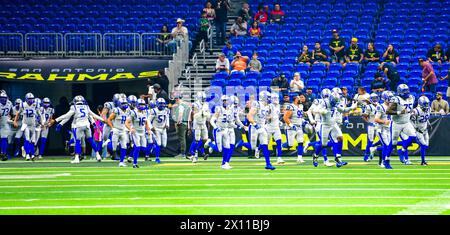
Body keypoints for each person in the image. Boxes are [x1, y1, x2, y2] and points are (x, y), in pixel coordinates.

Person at [55, 95, 103, 164]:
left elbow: (67, 116)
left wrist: (58, 122)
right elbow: (92, 115)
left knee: (77, 141)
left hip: (78, 125)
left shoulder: (73, 107)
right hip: (87, 125)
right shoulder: (86, 106)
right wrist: (100, 121)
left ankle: (77, 157)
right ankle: (98, 155)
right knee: (90, 140)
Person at [384, 84, 416, 169]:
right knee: (393, 143)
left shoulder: (412, 97)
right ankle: (387, 160)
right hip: (396, 123)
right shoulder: (396, 99)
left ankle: (402, 150)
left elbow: (411, 108)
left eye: (407, 90)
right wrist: (399, 112)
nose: (406, 92)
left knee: (413, 137)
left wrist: (412, 112)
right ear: (399, 92)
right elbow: (388, 111)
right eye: (404, 91)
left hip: (406, 122)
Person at [125, 99, 151, 168]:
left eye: (143, 105)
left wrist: (148, 130)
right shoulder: (134, 112)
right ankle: (135, 163)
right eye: (140, 105)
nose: (142, 106)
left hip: (142, 132)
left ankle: (130, 157)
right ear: (137, 105)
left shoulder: (145, 112)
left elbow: (146, 122)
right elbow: (126, 123)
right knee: (137, 148)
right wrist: (130, 128)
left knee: (144, 149)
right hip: (135, 132)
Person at [188, 92, 211, 162]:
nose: (203, 100)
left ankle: (193, 152)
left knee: (205, 139)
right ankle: (192, 153)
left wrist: (205, 114)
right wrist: (201, 113)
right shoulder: (195, 104)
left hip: (203, 123)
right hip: (197, 124)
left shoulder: (206, 105)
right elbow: (194, 115)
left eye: (204, 98)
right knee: (197, 139)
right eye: (202, 98)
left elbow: (209, 115)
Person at [283, 95, 306, 164]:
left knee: (300, 142)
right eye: (299, 98)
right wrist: (291, 125)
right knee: (290, 144)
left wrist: (304, 121)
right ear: (295, 99)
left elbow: (299, 117)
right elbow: (285, 117)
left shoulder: (301, 106)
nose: (301, 99)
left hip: (299, 127)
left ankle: (299, 158)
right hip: (291, 128)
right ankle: (280, 146)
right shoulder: (291, 106)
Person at [411, 96, 431, 165]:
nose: (426, 106)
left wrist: (429, 123)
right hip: (418, 131)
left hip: (425, 130)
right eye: (425, 104)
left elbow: (427, 118)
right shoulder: (416, 110)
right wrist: (415, 128)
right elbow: (411, 121)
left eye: (427, 104)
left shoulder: (429, 109)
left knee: (426, 146)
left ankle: (408, 142)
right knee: (423, 145)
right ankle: (423, 161)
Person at [361, 93, 380, 162]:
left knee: (383, 139)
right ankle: (366, 155)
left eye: (376, 98)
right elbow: (363, 116)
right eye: (373, 98)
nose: (375, 99)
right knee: (370, 141)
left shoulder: (380, 105)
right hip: (371, 125)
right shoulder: (368, 107)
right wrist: (369, 122)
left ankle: (373, 147)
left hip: (378, 125)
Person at [171, 92, 190, 159]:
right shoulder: (186, 105)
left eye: (176, 99)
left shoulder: (181, 105)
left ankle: (183, 153)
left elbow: (180, 114)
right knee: (183, 138)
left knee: (182, 138)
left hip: (181, 123)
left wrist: (178, 121)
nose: (175, 100)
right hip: (185, 122)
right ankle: (183, 153)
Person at [0, 91, 12, 160]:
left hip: (3, 123)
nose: (3, 99)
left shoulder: (9, 103)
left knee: (4, 139)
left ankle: (3, 153)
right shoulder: (9, 103)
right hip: (4, 123)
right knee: (4, 139)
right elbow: (11, 113)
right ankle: (3, 153)